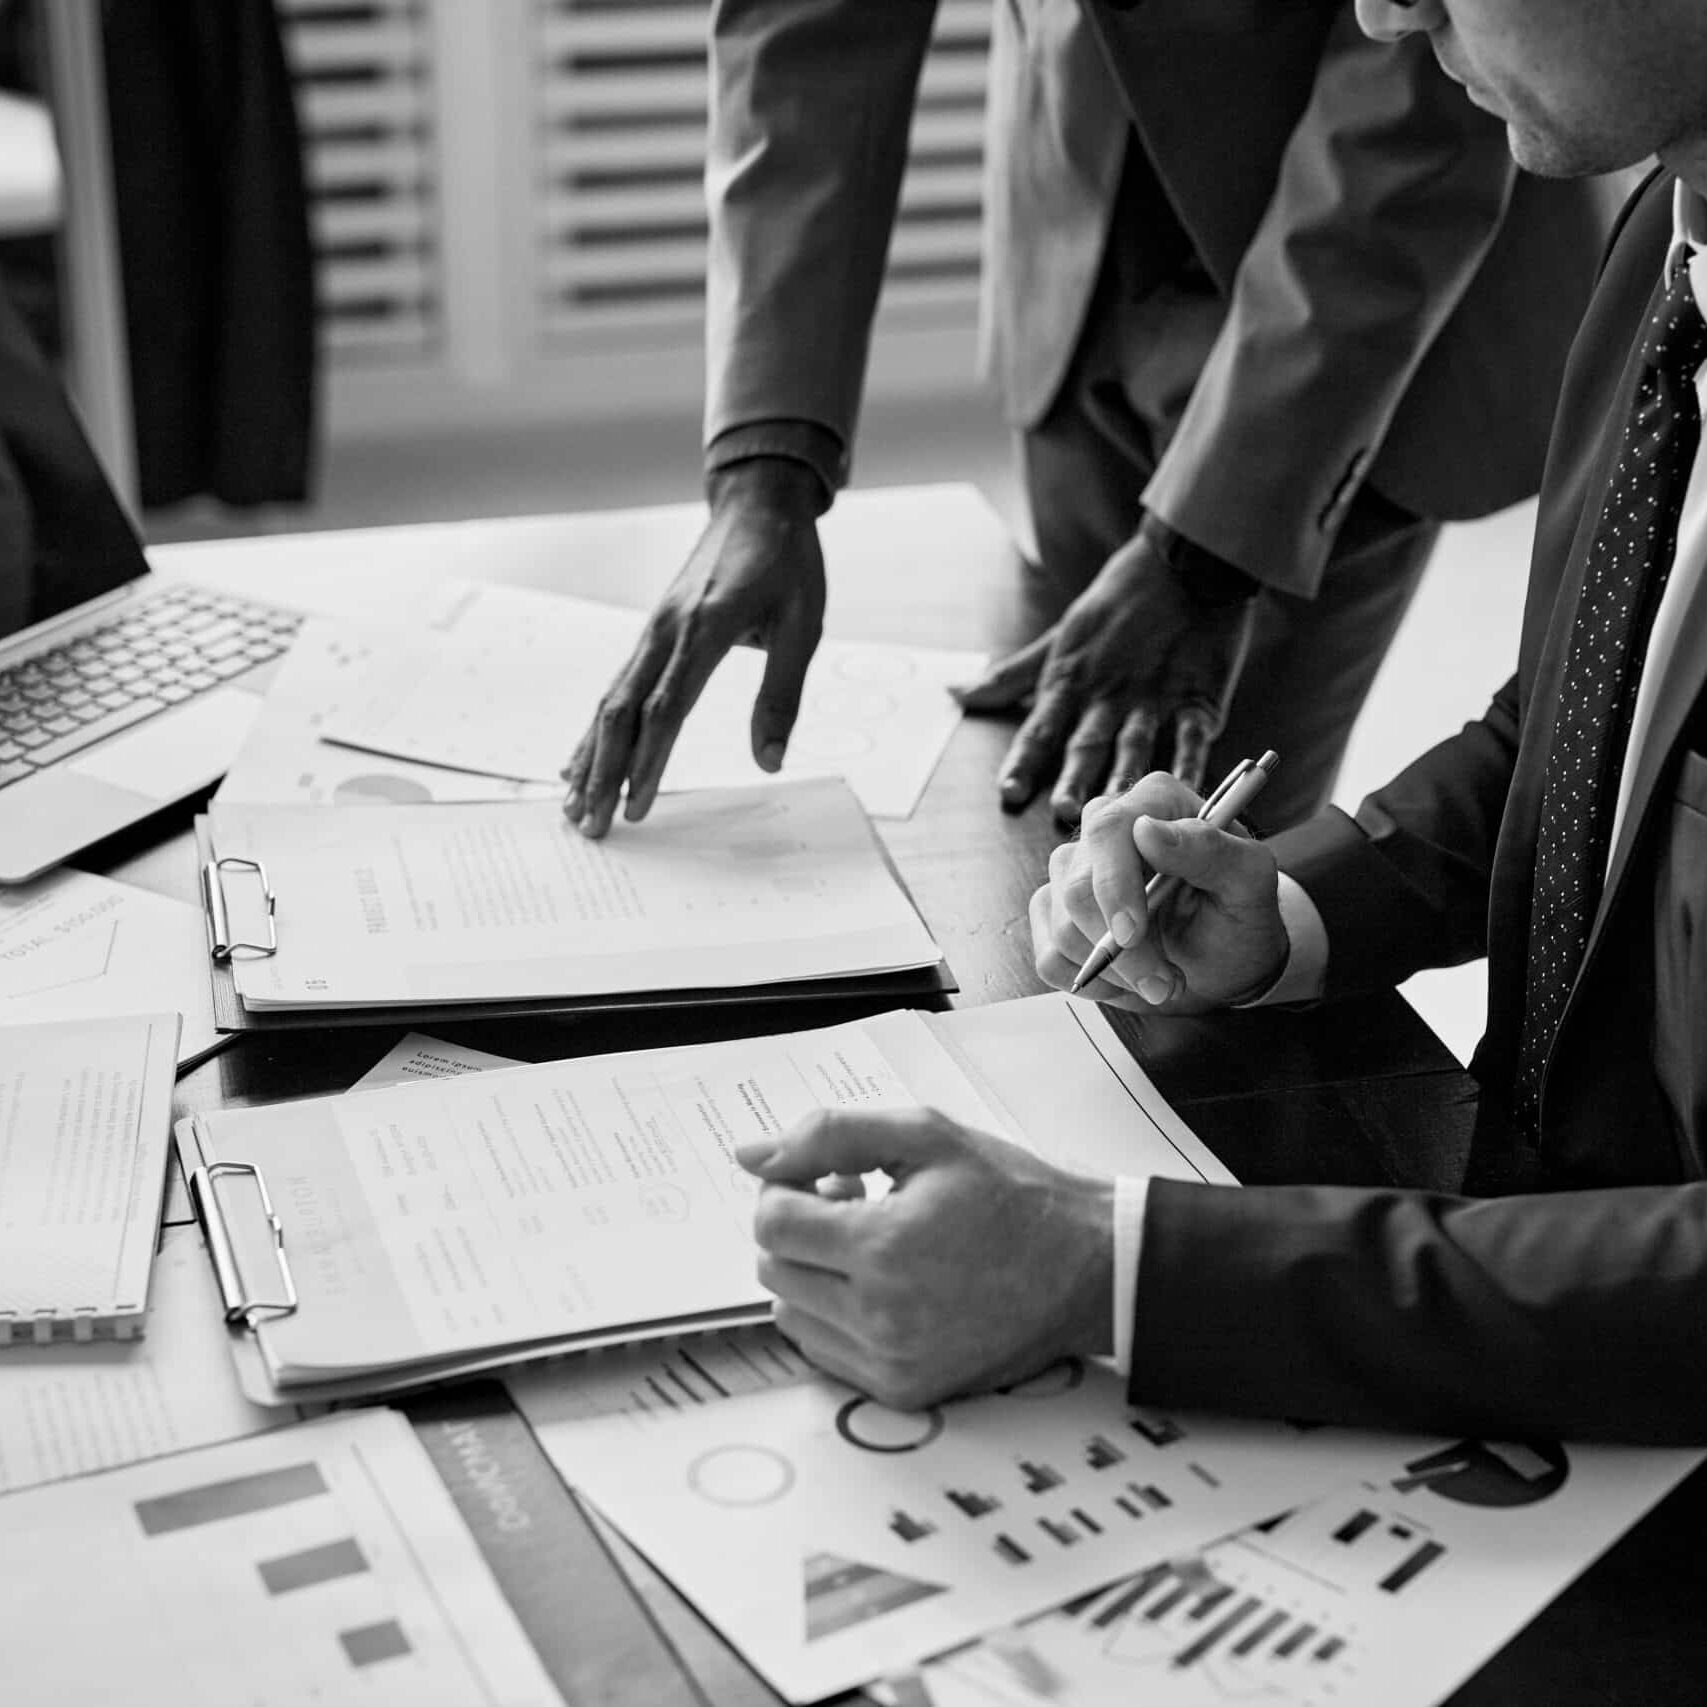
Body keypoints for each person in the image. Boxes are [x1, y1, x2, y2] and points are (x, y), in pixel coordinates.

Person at [737, 0, 1707, 1445]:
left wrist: (1106, 1269)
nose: (1380, 8)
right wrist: (1286, 912)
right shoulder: (1659, 248)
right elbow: (1575, 740)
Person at [561, 0, 1608, 840]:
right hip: (1067, 233)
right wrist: (764, 467)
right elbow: (810, 26)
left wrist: (1204, 552)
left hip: (1362, 295)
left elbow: (1417, 75)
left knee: (1192, 894)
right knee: (1041, 844)